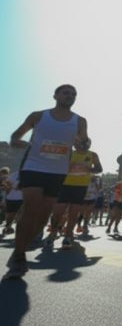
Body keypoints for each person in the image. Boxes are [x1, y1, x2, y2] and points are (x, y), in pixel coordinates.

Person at [5, 84, 87, 280]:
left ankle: (23, 245)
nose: (70, 96)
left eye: (74, 94)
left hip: (58, 172)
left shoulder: (80, 121)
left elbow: (83, 143)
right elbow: (16, 135)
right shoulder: (38, 116)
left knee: (43, 215)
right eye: (66, 93)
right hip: (34, 166)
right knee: (31, 208)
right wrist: (19, 141)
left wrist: (84, 144)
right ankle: (19, 255)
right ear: (55, 96)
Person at [2, 170, 23, 237]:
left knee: (20, 215)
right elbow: (5, 184)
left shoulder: (30, 174)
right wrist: (9, 187)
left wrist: (21, 188)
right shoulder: (14, 174)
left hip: (23, 199)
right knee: (10, 215)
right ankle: (8, 227)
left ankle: (20, 231)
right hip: (11, 198)